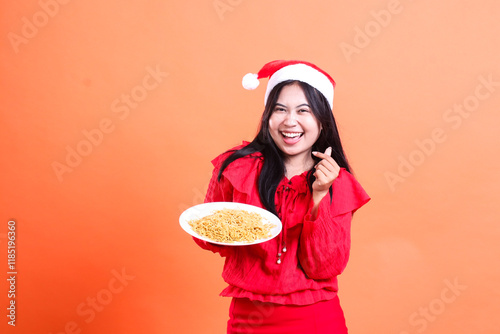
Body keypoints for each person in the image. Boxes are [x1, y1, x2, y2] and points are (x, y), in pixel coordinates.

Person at [193, 60, 370, 333]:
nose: (290, 121)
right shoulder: (236, 168)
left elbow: (324, 267)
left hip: (316, 319)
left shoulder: (337, 181)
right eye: (280, 109)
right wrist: (223, 228)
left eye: (304, 111)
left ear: (323, 122)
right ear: (267, 118)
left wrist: (319, 196)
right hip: (248, 318)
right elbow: (208, 238)